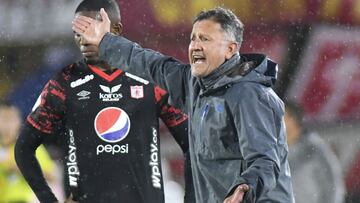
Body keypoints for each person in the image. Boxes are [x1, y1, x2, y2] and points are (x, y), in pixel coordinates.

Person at [73, 6, 294, 202]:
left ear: (230, 50)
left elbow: (265, 160)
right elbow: (149, 64)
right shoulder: (195, 85)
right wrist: (105, 41)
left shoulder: (249, 95)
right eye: (193, 38)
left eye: (205, 39)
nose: (195, 45)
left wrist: (245, 188)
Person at [15, 1, 190, 203]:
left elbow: (192, 144)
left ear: (116, 29)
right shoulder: (64, 83)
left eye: (90, 30)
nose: (83, 40)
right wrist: (49, 200)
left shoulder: (150, 77)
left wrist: (192, 198)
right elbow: (23, 148)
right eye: (77, 32)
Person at [284, 101, 345, 203]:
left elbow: (333, 187)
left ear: (293, 120)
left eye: (280, 117)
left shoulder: (315, 150)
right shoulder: (272, 150)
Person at [0, 102, 57, 203]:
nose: (7, 124)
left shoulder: (29, 147)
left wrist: (23, 169)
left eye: (11, 119)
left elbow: (52, 176)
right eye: (4, 118)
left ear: (18, 121)